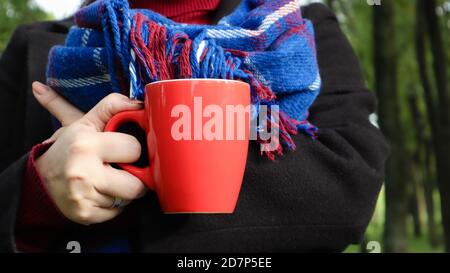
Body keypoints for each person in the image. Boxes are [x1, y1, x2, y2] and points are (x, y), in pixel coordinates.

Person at [0, 0, 389, 253]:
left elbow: (346, 188)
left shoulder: (300, 30)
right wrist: (37, 190)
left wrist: (147, 172)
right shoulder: (38, 47)